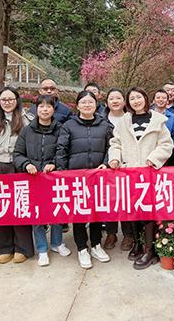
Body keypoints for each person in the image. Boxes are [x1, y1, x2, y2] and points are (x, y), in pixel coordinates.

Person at [108, 88, 174, 269]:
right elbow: (115, 143)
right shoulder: (124, 121)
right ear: (128, 102)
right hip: (129, 172)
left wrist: (153, 158)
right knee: (133, 210)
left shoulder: (158, 120)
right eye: (132, 98)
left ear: (145, 98)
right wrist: (115, 158)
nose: (136, 101)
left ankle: (149, 250)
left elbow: (166, 144)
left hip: (149, 172)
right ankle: (137, 244)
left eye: (139, 97)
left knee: (148, 211)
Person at [55, 90, 112, 269]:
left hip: (98, 176)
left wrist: (106, 163)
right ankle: (82, 248)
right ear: (77, 105)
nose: (87, 105)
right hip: (76, 177)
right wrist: (63, 173)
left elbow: (111, 147)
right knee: (79, 212)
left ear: (96, 105)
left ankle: (96, 245)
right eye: (83, 102)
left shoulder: (105, 125)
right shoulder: (69, 125)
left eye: (90, 102)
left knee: (97, 212)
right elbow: (61, 150)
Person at [13, 95, 72, 267]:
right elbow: (17, 154)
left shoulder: (61, 129)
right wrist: (26, 164)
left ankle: (57, 243)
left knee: (57, 212)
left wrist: (54, 164)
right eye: (41, 106)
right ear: (36, 109)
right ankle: (42, 248)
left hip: (53, 179)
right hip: (33, 180)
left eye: (48, 106)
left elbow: (64, 151)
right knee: (37, 215)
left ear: (54, 109)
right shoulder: (27, 130)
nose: (45, 110)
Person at [0, 87, 35, 264]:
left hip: (19, 167)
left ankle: (22, 247)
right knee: (0, 207)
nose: (7, 102)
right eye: (3, 99)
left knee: (20, 207)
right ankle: (2, 247)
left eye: (11, 99)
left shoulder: (26, 119)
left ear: (17, 100)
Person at [102, 88, 130, 251]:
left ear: (124, 101)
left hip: (127, 165)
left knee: (126, 200)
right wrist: (106, 162)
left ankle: (128, 234)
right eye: (111, 98)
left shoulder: (130, 118)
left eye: (118, 98)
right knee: (110, 201)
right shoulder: (101, 119)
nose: (115, 101)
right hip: (107, 165)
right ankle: (111, 233)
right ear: (106, 102)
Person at [152, 88, 174, 166]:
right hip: (149, 152)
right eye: (158, 98)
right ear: (154, 101)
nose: (161, 100)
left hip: (167, 154)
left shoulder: (173, 118)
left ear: (167, 101)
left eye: (164, 98)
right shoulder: (147, 116)